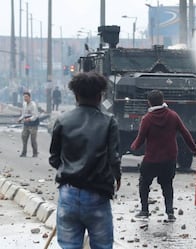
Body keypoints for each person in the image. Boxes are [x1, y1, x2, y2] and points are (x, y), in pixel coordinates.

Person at [49, 72, 122, 249]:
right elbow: (114, 158)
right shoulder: (108, 122)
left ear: (76, 95)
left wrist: (69, 170)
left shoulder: (63, 120)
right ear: (100, 96)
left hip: (68, 194)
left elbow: (54, 158)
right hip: (97, 193)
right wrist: (116, 178)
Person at [130, 89, 196, 222]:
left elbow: (140, 138)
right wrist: (193, 148)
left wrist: (133, 147)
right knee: (167, 185)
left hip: (151, 159)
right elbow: (185, 133)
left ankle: (144, 211)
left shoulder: (147, 119)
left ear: (149, 103)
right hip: (169, 158)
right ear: (163, 100)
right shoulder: (173, 115)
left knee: (144, 183)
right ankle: (170, 212)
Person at [17, 91, 39, 157]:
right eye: (24, 97)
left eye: (26, 97)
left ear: (30, 97)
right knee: (24, 137)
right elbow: (24, 114)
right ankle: (24, 153)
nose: (25, 98)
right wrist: (20, 119)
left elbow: (35, 116)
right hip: (26, 124)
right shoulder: (24, 104)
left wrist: (29, 119)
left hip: (33, 124)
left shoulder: (33, 105)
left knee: (33, 140)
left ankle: (35, 153)